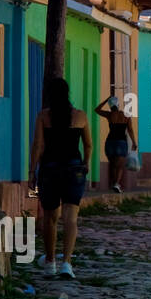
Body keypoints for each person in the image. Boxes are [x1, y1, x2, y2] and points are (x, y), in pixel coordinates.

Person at [29, 77, 92, 280]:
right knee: (71, 218)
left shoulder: (44, 117)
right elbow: (88, 144)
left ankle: (49, 263)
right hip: (75, 169)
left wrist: (32, 171)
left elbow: (38, 145)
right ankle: (67, 262)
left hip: (50, 170)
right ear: (67, 94)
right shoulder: (80, 116)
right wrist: (87, 163)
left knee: (50, 217)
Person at [95, 94, 136, 193]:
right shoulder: (125, 115)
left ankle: (114, 184)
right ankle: (117, 184)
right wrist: (134, 142)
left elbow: (97, 109)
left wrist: (106, 99)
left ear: (110, 105)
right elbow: (130, 130)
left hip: (110, 142)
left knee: (113, 164)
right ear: (118, 104)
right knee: (120, 166)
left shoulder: (109, 115)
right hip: (121, 142)